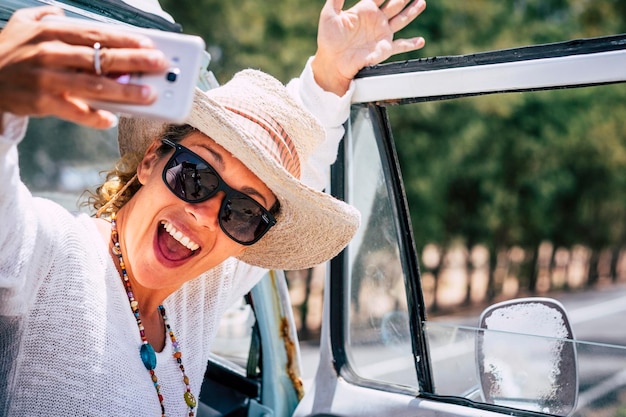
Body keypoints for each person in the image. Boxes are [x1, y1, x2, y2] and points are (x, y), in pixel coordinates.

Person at [0, 0, 427, 415]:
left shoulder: (194, 295)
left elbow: (300, 176)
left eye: (243, 212)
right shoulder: (50, 255)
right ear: (151, 160)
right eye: (195, 175)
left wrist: (330, 73)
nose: (205, 215)